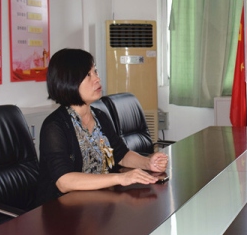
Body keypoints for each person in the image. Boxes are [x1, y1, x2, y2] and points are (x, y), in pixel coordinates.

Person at [36, 48, 169, 205]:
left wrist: (148, 163)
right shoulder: (54, 126)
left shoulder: (100, 116)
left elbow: (121, 154)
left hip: (98, 201)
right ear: (69, 81)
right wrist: (120, 178)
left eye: (95, 72)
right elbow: (64, 181)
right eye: (88, 75)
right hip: (62, 209)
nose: (97, 79)